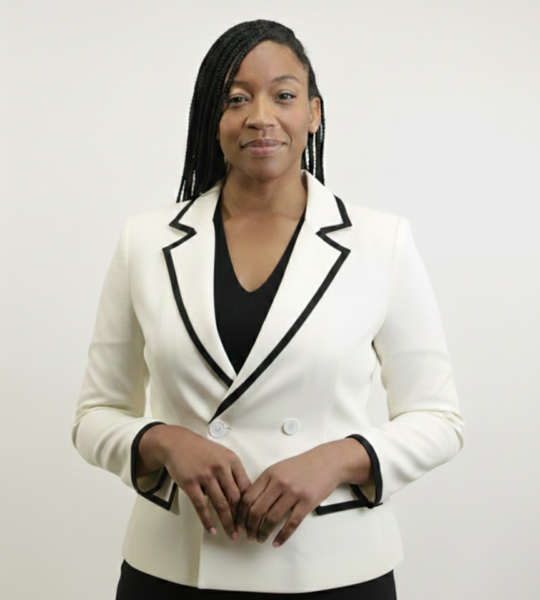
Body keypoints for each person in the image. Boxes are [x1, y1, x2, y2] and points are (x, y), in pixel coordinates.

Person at [72, 19, 464, 599]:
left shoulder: (381, 243)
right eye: (237, 99)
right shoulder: (145, 241)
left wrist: (337, 460)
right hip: (174, 569)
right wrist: (164, 442)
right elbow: (95, 414)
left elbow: (438, 419)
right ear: (212, 118)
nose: (260, 116)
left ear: (313, 112)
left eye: (283, 95)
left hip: (334, 569)